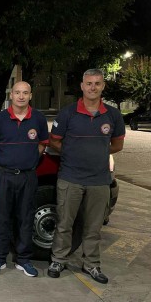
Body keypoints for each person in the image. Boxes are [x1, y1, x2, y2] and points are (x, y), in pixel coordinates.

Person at [47, 69, 125, 284]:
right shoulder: (67, 113)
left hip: (99, 181)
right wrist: (72, 154)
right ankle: (58, 260)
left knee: (93, 227)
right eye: (89, 83)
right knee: (64, 223)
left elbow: (117, 144)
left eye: (97, 83)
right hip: (70, 178)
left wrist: (98, 155)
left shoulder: (113, 115)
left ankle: (91, 264)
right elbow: (54, 141)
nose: (93, 87)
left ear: (103, 86)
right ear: (82, 86)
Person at [0, 81, 49, 277]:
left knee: (26, 218)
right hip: (4, 176)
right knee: (1, 218)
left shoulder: (38, 119)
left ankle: (23, 260)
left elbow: (42, 145)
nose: (21, 96)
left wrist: (27, 161)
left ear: (30, 96)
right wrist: (5, 162)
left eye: (25, 93)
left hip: (28, 176)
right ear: (10, 95)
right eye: (17, 92)